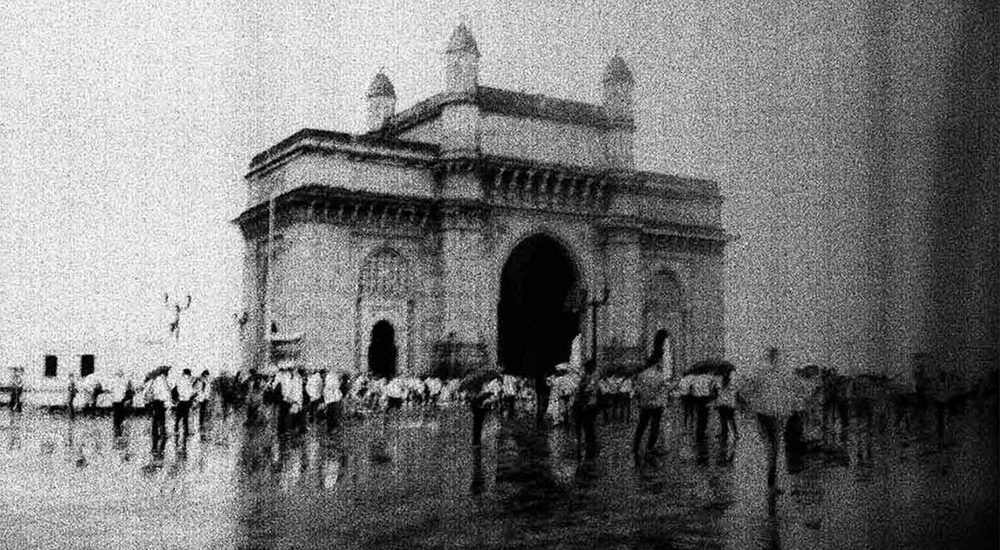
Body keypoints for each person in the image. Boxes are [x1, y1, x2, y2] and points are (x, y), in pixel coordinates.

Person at [633, 329, 671, 457]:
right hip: (656, 404)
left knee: (641, 426)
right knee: (654, 427)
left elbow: (637, 389)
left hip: (645, 404)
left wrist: (643, 396)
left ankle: (635, 446)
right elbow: (663, 389)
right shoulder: (659, 376)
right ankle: (650, 448)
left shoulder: (641, 374)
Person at [573, 359, 601, 459]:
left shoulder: (593, 377)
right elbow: (579, 389)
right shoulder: (585, 376)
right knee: (582, 424)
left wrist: (582, 389)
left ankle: (589, 444)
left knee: (588, 425)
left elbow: (590, 390)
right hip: (582, 404)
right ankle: (582, 441)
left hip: (589, 404)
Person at [471, 377, 502, 446]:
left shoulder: (487, 385)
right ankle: (476, 440)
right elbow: (493, 397)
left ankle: (476, 440)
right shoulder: (489, 386)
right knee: (478, 424)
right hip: (479, 406)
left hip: (479, 405)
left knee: (477, 424)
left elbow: (492, 397)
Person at [145, 370, 171, 452]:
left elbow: (151, 392)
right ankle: (161, 433)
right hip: (160, 402)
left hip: (156, 402)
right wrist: (167, 402)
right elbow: (165, 393)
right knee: (161, 419)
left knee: (156, 419)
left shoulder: (155, 381)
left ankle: (155, 433)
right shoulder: (162, 381)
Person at [690, 373, 718, 441]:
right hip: (705, 399)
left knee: (699, 416)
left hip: (697, 399)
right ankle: (702, 431)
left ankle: (699, 431)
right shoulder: (709, 379)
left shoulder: (695, 379)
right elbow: (712, 390)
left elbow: (691, 389)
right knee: (704, 416)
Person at [716, 371, 739, 444]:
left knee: (726, 421)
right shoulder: (729, 384)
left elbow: (719, 393)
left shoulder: (723, 384)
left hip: (724, 404)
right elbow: (734, 393)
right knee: (729, 420)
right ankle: (732, 433)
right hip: (727, 404)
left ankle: (726, 434)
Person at [172, 369, 195, 437]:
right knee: (185, 417)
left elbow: (176, 389)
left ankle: (176, 430)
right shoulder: (188, 381)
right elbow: (191, 392)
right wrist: (192, 395)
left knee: (178, 417)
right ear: (188, 374)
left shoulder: (179, 380)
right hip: (186, 401)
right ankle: (186, 431)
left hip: (180, 401)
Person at [107, 370, 131, 435]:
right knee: (121, 416)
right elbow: (128, 390)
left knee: (117, 416)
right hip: (121, 401)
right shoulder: (124, 382)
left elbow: (110, 390)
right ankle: (120, 429)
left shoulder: (114, 382)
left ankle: (117, 429)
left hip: (116, 401)